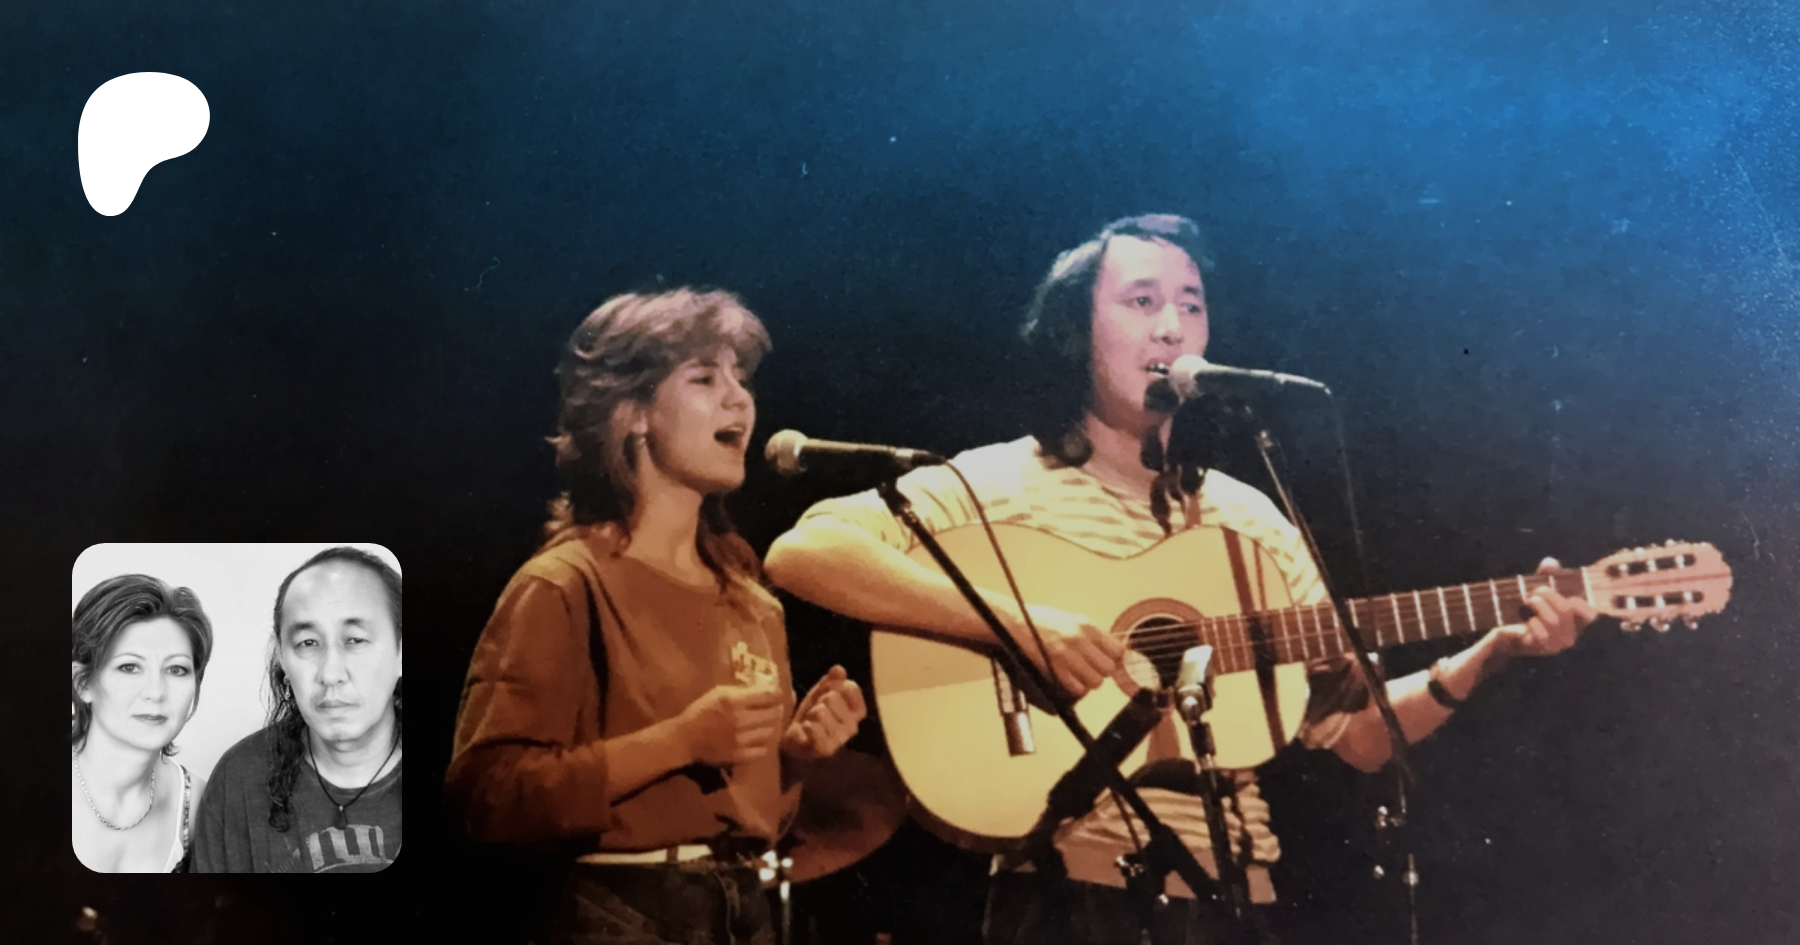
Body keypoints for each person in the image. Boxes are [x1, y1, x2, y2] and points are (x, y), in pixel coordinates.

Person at [763, 213, 1598, 945]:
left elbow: (1358, 736)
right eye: (1141, 301)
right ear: (1076, 330)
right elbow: (805, 551)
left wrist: (1490, 652)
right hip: (1063, 894)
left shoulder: (1251, 524)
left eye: (1191, 305)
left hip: (1231, 896)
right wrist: (1016, 625)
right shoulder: (996, 484)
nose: (1172, 326)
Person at [446, 288, 867, 945]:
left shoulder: (752, 603)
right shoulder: (566, 582)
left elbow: (758, 818)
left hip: (744, 912)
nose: (739, 399)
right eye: (704, 378)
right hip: (621, 913)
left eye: (741, 377)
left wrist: (796, 757)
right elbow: (488, 796)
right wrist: (681, 740)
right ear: (633, 414)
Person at [190, 546, 403, 872]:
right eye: (308, 643)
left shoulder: (464, 779)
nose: (330, 673)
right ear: (281, 658)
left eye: (355, 640)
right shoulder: (239, 779)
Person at [71, 574, 214, 872]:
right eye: (129, 667)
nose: (156, 692)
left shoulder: (197, 803)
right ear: (83, 683)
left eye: (176, 669)